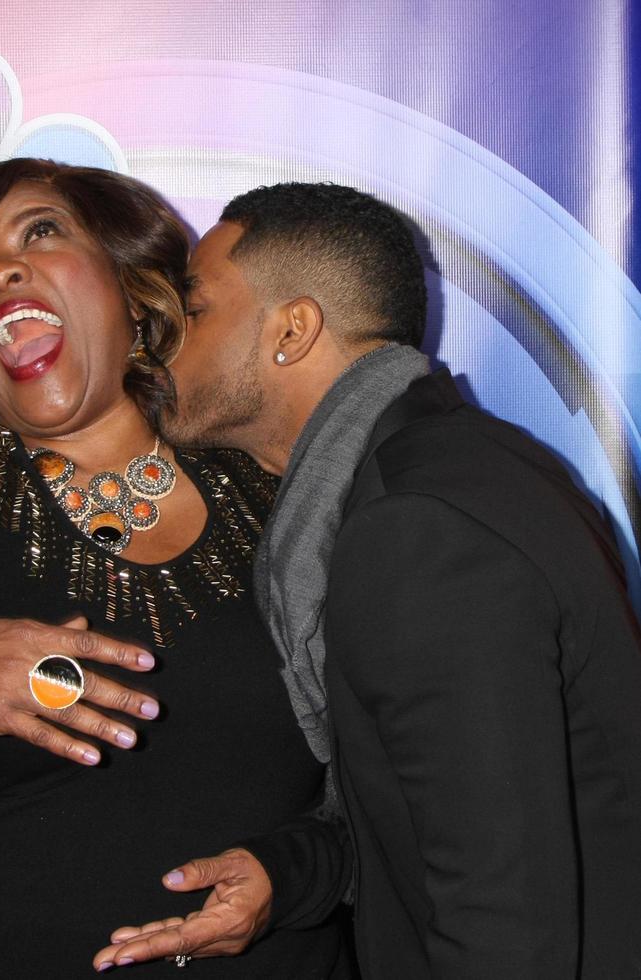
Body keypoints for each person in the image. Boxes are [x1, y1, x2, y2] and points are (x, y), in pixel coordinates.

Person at [0, 159, 352, 978]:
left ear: (133, 289)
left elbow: (406, 788)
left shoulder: (287, 495)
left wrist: (289, 877)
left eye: (41, 232)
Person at [157, 181, 641, 978]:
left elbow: (499, 918)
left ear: (291, 330)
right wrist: (291, 871)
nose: (167, 341)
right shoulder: (464, 467)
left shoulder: (417, 528)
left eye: (197, 308)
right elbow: (438, 808)